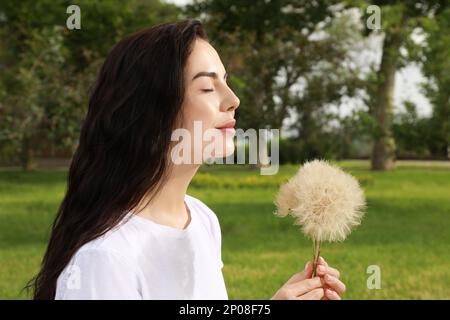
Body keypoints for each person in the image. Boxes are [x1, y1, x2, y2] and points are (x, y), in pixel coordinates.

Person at [29, 19, 346, 300]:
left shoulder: (200, 219)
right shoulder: (106, 259)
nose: (233, 99)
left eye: (225, 81)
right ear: (152, 113)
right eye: (208, 87)